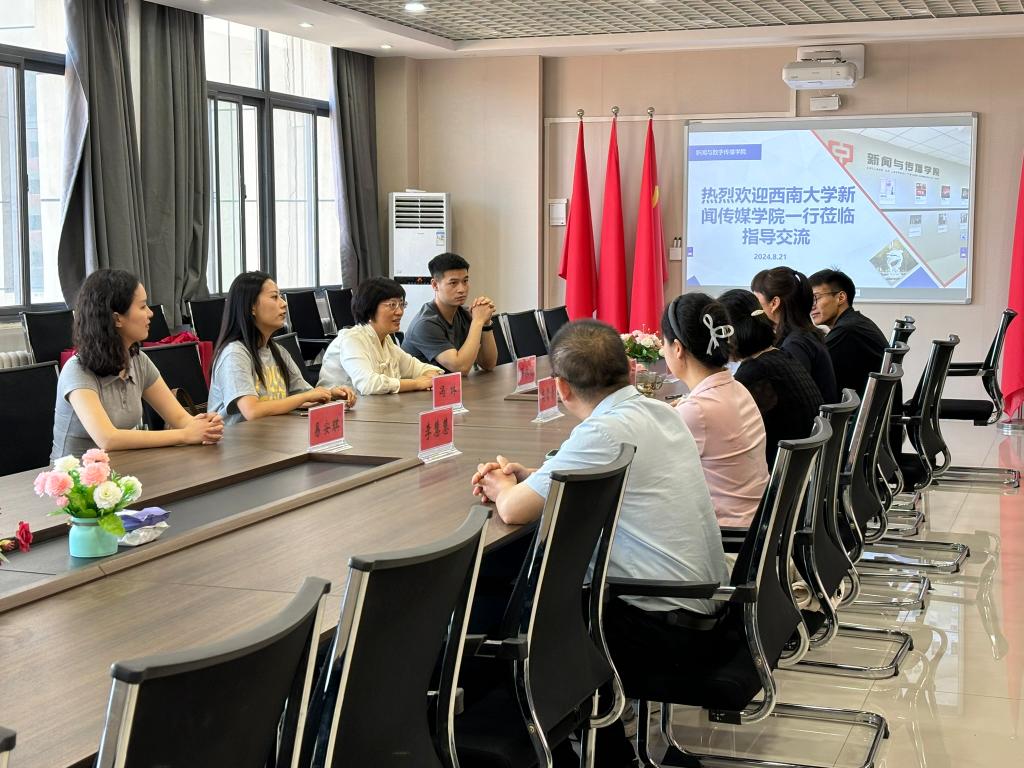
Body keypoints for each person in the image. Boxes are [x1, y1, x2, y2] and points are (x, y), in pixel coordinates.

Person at [471, 319, 729, 767]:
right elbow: (583, 478)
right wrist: (534, 477)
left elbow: (512, 510)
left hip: (661, 624)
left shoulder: (603, 432)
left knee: (524, 615)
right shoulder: (658, 412)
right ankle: (601, 750)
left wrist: (501, 484)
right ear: (629, 368)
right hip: (701, 606)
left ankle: (584, 752)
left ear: (560, 388)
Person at [51, 269, 224, 459]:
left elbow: (179, 418)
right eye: (142, 307)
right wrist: (185, 435)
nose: (150, 313)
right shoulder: (77, 370)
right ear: (117, 319)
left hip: (122, 469)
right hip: (75, 475)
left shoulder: (138, 361)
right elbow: (108, 439)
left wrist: (204, 426)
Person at [662, 293, 768, 529]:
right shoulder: (737, 388)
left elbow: (651, 472)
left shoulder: (696, 411)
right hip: (754, 526)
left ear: (677, 348)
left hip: (727, 536)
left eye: (663, 342)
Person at [208, 271, 356, 425]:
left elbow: (305, 396)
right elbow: (252, 411)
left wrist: (330, 394)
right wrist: (305, 397)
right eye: (274, 297)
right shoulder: (234, 354)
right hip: (237, 439)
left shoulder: (278, 351)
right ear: (252, 307)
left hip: (271, 434)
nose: (284, 303)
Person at [718, 289, 824, 467]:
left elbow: (727, 433)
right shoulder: (781, 357)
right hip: (801, 473)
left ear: (731, 333)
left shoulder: (755, 373)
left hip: (777, 473)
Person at [317, 277, 443, 394]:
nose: (400, 312)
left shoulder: (386, 340)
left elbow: (416, 368)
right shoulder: (351, 339)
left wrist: (431, 375)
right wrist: (416, 383)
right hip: (336, 408)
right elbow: (368, 384)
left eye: (401, 304)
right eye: (392, 305)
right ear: (370, 309)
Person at [751, 267, 838, 403]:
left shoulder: (795, 345)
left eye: (756, 300)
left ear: (774, 303)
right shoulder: (803, 336)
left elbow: (787, 397)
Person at [401, 252, 498, 374]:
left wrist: (486, 323)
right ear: (435, 285)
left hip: (449, 385)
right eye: (453, 283)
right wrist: (478, 321)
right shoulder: (425, 324)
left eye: (465, 281)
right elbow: (461, 368)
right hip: (420, 386)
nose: (462, 289)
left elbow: (488, 364)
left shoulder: (464, 314)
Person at [807, 268, 890, 398]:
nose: (811, 306)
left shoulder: (848, 330)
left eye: (816, 298)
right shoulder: (854, 322)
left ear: (841, 297)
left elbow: (808, 368)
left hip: (860, 408)